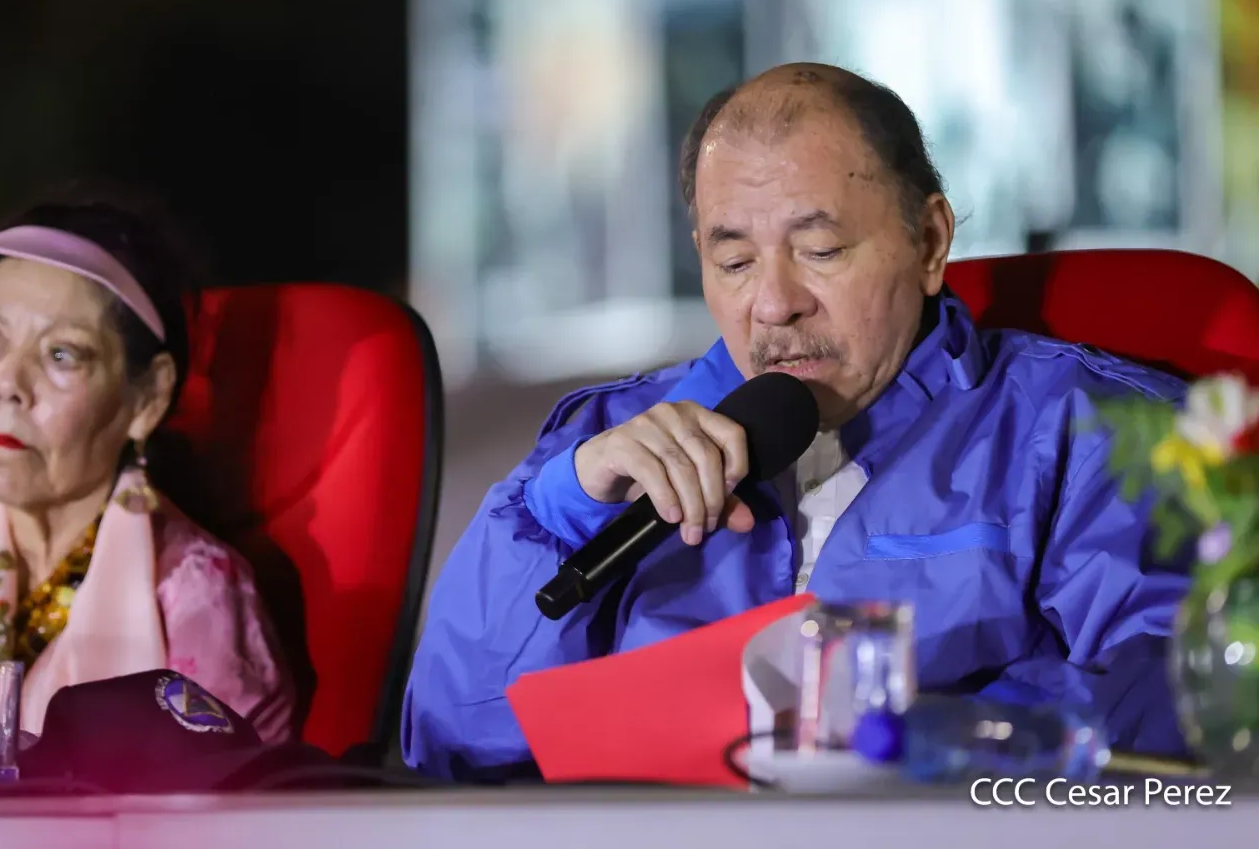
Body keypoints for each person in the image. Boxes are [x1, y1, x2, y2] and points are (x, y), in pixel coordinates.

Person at [402, 63, 1190, 779]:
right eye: (735, 262)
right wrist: (560, 511)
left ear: (929, 240)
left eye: (819, 249)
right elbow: (447, 741)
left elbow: (1180, 697)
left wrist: (896, 740)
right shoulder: (616, 441)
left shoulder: (1086, 430)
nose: (774, 304)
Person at [0, 199, 296, 744]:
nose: (6, 383)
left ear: (147, 398)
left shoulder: (193, 589)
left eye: (62, 355)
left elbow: (233, 816)